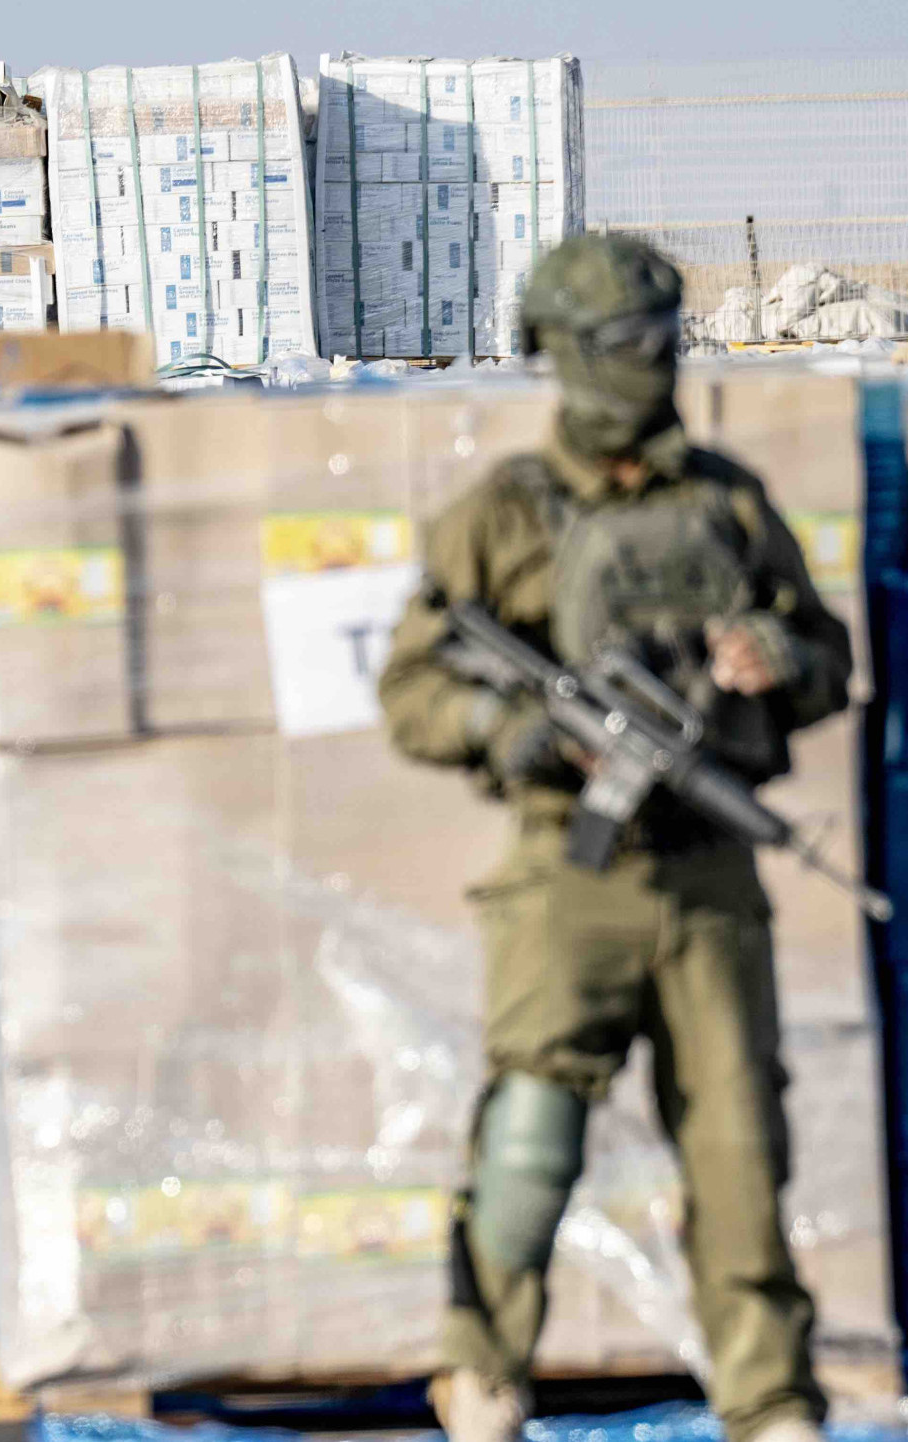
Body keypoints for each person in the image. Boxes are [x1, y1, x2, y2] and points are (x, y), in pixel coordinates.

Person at [376, 235, 851, 1442]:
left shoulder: (726, 501)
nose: (653, 361)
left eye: (662, 337)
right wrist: (515, 730)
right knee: (530, 1136)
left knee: (737, 1147)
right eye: (626, 342)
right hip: (566, 872)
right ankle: (482, 1378)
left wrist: (776, 657)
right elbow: (412, 690)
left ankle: (768, 1399)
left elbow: (827, 656)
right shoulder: (501, 515)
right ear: (567, 354)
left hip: (706, 871)